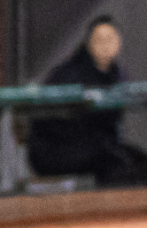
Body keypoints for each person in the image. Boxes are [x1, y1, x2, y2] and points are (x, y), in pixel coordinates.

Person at [30, 16, 147, 185]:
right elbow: (62, 126)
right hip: (57, 150)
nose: (106, 45)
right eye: (100, 40)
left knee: (136, 160)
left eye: (111, 39)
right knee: (113, 161)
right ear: (88, 43)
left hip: (94, 146)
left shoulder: (115, 75)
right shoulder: (71, 74)